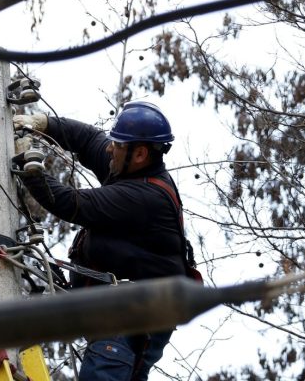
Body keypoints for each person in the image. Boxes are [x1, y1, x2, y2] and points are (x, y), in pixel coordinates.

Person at [13, 101, 191, 381]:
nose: (110, 148)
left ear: (140, 153)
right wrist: (44, 124)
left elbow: (70, 203)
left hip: (133, 319)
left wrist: (26, 164)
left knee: (107, 367)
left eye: (118, 145)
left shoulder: (146, 197)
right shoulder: (125, 165)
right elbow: (87, 139)